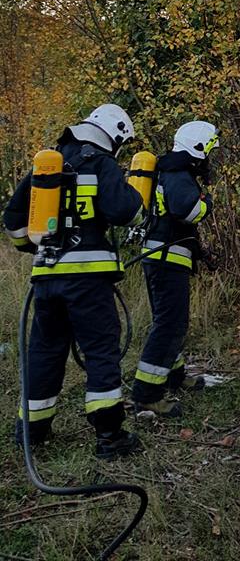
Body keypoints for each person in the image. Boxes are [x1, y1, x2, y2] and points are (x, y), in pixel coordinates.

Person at [4, 104, 144, 459]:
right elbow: (124, 211)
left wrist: (37, 247)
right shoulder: (102, 163)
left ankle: (31, 431)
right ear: (113, 137)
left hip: (47, 279)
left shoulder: (49, 163)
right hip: (88, 281)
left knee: (45, 350)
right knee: (100, 349)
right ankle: (110, 436)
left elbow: (14, 221)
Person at [132, 120, 218, 418]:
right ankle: (147, 394)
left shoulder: (167, 169)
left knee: (169, 321)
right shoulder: (179, 174)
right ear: (198, 148)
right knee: (171, 324)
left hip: (159, 256)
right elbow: (188, 210)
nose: (209, 159)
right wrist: (207, 202)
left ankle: (174, 375)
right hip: (167, 258)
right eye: (208, 151)